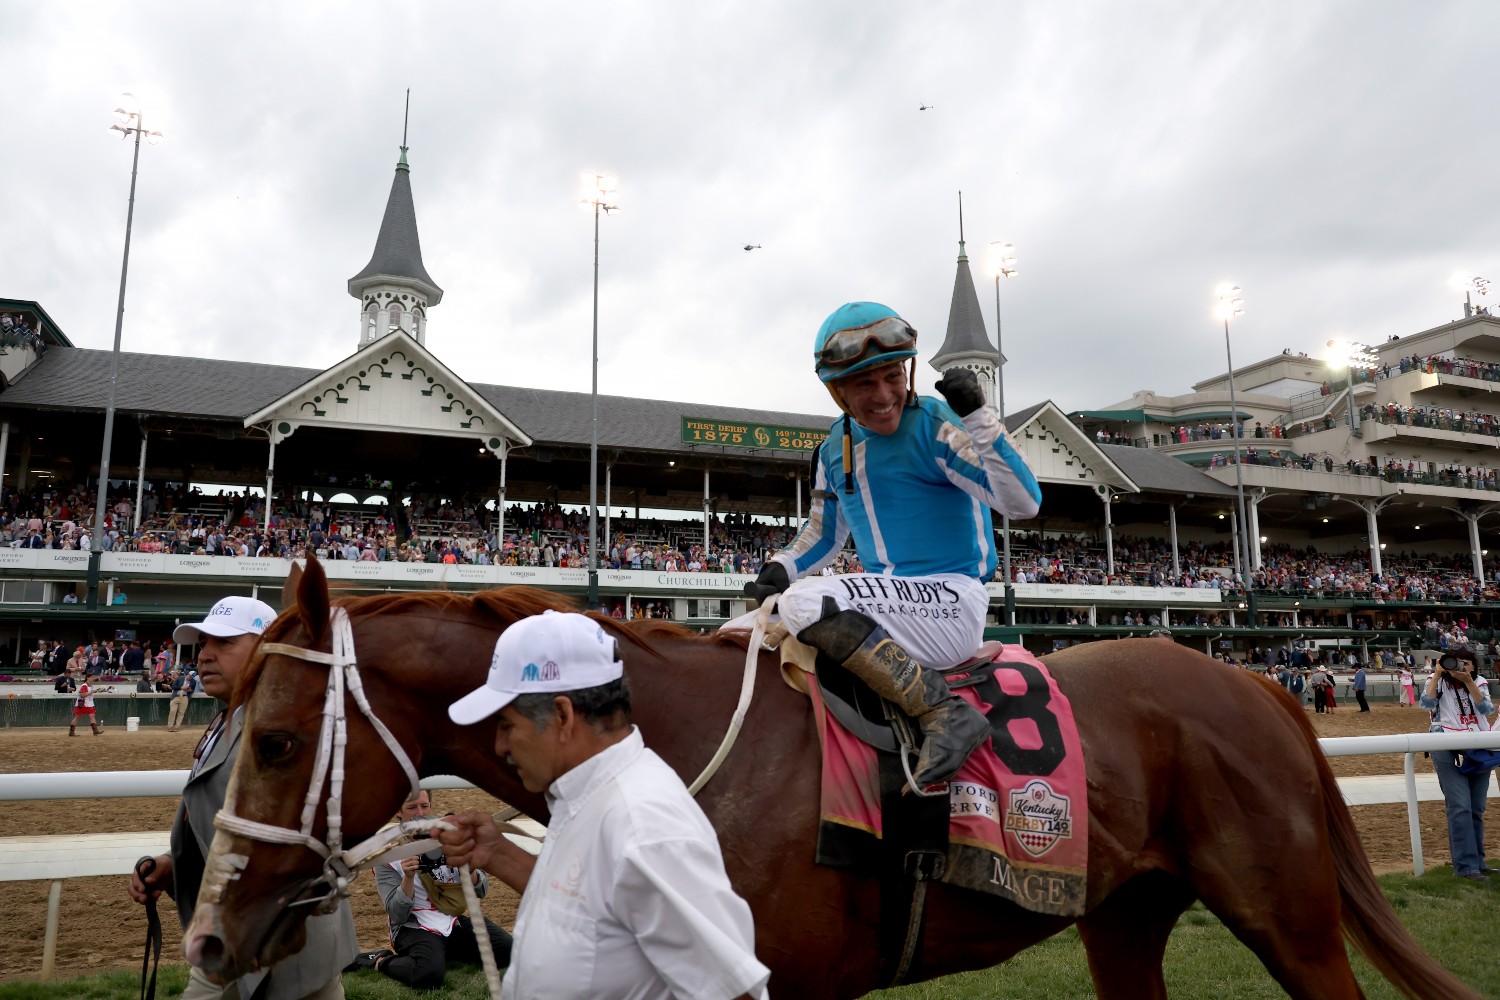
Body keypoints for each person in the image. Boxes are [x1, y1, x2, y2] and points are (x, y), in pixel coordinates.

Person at [739, 302, 1042, 788]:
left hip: (951, 603)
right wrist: (781, 566)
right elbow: (824, 533)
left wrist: (979, 418)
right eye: (865, 384)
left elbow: (1022, 503)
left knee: (803, 602)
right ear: (838, 391)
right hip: (892, 604)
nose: (884, 396)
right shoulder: (833, 448)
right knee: (741, 630)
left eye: (893, 376)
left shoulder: (937, 424)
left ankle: (943, 712)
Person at [439, 610, 769, 1000]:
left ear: (562, 716)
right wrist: (499, 855)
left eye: (507, 725)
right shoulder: (591, 796)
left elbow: (732, 994)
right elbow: (592, 911)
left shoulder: (645, 827)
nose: (500, 746)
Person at [128, 596, 357, 999]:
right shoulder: (232, 716)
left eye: (225, 642)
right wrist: (176, 865)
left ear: (268, 649)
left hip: (275, 942)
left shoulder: (284, 727)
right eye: (203, 644)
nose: (205, 655)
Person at [356, 790, 514, 988]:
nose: (420, 813)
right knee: (428, 975)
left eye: (424, 806)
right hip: (413, 926)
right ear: (398, 811)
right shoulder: (388, 852)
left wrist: (469, 868)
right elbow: (397, 913)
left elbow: (481, 890)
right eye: (412, 808)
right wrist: (408, 877)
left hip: (452, 920)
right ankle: (379, 960)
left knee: (509, 951)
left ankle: (444, 952)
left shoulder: (448, 835)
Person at [1420, 653, 1497, 881]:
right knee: (1460, 805)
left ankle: (1478, 863)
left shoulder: (1479, 682)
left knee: (1476, 807)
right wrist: (1437, 674)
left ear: (1474, 666)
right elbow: (1426, 704)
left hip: (1479, 744)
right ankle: (1466, 867)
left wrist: (1468, 681)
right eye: (1454, 662)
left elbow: (1487, 710)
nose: (1459, 666)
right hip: (1444, 742)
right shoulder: (1436, 680)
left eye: (1465, 663)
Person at [166, 667, 194, 732]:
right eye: (190, 676)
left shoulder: (193, 681)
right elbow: (173, 686)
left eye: (192, 677)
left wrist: (189, 690)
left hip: (185, 697)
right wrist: (181, 688)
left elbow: (192, 690)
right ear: (188, 674)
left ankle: (177, 727)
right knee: (172, 711)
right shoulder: (180, 678)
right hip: (176, 696)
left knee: (181, 713)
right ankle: (170, 726)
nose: (190, 678)